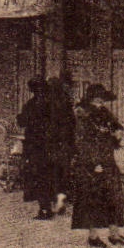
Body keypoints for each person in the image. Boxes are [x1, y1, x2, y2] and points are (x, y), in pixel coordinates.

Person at [70, 84, 124, 248]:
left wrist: (118, 132)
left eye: (102, 101)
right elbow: (82, 142)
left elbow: (116, 125)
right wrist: (94, 163)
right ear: (91, 100)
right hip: (91, 163)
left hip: (107, 160)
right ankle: (93, 236)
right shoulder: (82, 115)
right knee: (92, 199)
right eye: (98, 100)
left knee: (113, 197)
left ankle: (114, 234)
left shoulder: (104, 112)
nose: (100, 104)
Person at [17, 78, 58, 219]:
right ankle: (50, 207)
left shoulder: (31, 105)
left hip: (37, 147)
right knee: (48, 177)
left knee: (40, 177)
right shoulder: (52, 104)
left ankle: (45, 209)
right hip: (49, 147)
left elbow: (22, 122)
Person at [46, 75, 76, 214]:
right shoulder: (67, 103)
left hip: (53, 144)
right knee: (64, 172)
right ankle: (61, 198)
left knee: (53, 173)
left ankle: (56, 200)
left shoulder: (49, 104)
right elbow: (73, 125)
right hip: (66, 144)